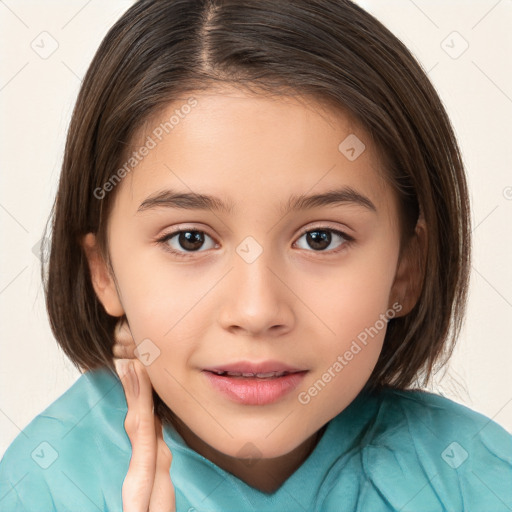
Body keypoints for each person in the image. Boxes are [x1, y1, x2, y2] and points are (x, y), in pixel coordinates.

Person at [1, 0, 511, 510]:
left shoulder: (476, 479)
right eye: (190, 239)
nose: (256, 311)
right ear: (104, 272)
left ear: (406, 269)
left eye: (320, 238)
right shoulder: (40, 488)